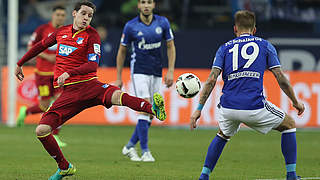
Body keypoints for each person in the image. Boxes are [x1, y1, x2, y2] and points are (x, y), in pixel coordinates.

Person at [15, 1, 166, 180]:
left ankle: (153, 110)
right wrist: (20, 63)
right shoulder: (61, 32)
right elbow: (40, 46)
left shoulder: (92, 35)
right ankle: (64, 167)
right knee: (41, 130)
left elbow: (92, 65)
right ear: (74, 14)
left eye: (90, 15)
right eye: (83, 14)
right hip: (70, 94)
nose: (86, 18)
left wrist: (68, 73)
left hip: (90, 86)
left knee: (118, 96)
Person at [190, 10, 305, 180]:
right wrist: (296, 102)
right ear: (255, 29)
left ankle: (204, 176)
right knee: (289, 124)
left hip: (228, 107)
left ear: (235, 29)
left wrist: (198, 109)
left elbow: (211, 80)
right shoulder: (265, 45)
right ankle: (291, 175)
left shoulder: (224, 48)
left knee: (223, 134)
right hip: (253, 106)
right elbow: (280, 77)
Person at [115, 0, 176, 162]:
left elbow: (170, 46)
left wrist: (170, 71)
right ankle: (146, 151)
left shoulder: (163, 23)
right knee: (145, 108)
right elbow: (122, 51)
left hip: (157, 71)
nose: (146, 5)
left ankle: (129, 146)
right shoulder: (130, 26)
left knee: (151, 113)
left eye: (149, 2)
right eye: (143, 2)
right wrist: (119, 77)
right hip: (139, 71)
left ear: (154, 5)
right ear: (139, 6)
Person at [16, 5, 67, 147]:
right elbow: (30, 47)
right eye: (58, 14)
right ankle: (26, 111)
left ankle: (55, 135)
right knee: (45, 106)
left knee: (60, 104)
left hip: (59, 75)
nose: (60, 17)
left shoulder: (67, 32)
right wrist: (47, 56)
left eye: (63, 15)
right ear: (52, 15)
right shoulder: (42, 30)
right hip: (43, 74)